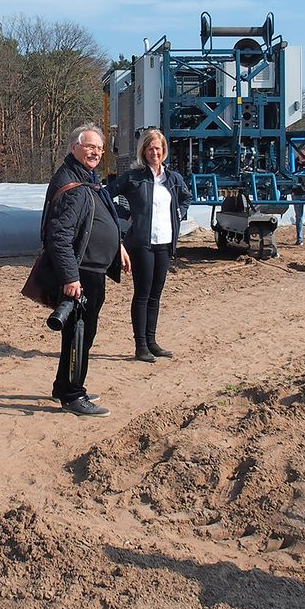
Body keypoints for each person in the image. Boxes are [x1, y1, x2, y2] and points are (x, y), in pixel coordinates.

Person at [42, 123, 130, 417]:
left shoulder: (86, 179)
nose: (95, 152)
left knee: (82, 333)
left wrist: (117, 244)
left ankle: (63, 385)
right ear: (73, 148)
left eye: (99, 148)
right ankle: (73, 394)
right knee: (78, 334)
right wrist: (70, 277)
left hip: (92, 270)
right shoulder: (71, 185)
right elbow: (59, 236)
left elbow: (98, 218)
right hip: (81, 273)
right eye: (89, 146)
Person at [108, 128, 191, 362]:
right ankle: (140, 345)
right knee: (142, 294)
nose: (155, 152)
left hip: (164, 243)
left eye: (158, 148)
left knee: (156, 295)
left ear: (164, 151)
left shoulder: (172, 178)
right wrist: (125, 214)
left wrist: (179, 213)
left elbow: (186, 198)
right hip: (141, 243)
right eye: (150, 148)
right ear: (143, 151)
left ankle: (152, 342)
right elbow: (106, 195)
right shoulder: (134, 177)